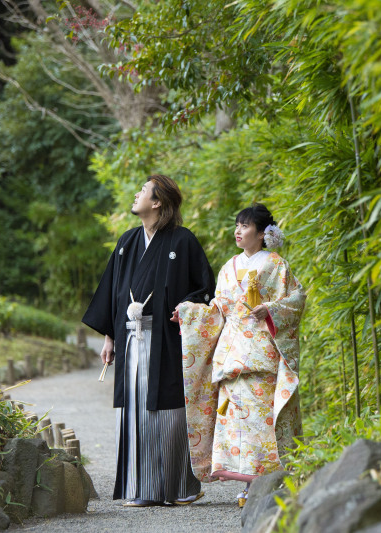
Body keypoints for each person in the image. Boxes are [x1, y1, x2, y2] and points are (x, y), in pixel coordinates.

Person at [82, 175, 215, 507]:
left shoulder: (182, 241)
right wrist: (110, 337)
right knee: (134, 411)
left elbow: (205, 289)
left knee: (167, 411)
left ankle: (177, 487)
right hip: (130, 338)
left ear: (157, 202)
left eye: (143, 191)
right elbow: (113, 293)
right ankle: (139, 488)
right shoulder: (127, 242)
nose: (137, 194)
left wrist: (185, 308)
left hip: (166, 339)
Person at [175, 203, 305, 507]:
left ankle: (267, 480)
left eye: (245, 226)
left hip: (261, 348)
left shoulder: (276, 264)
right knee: (236, 420)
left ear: (262, 233)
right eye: (237, 225)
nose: (238, 230)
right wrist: (189, 314)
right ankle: (246, 483)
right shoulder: (228, 268)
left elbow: (297, 299)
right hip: (232, 350)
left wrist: (270, 310)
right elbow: (218, 309)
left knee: (260, 416)